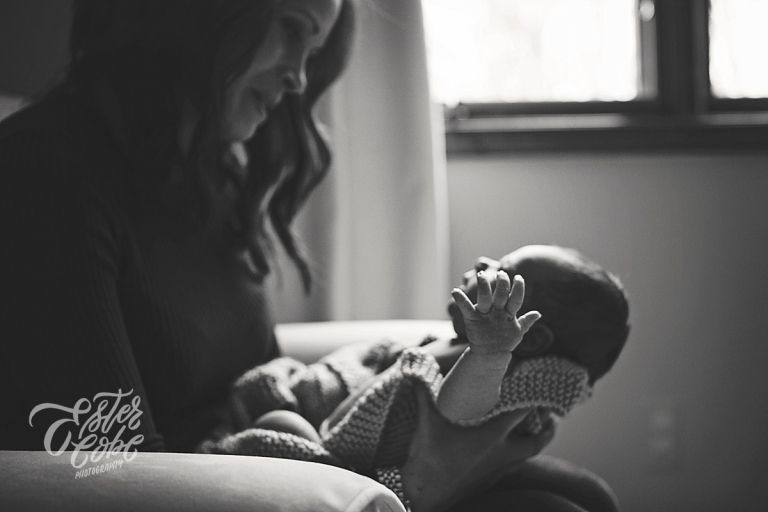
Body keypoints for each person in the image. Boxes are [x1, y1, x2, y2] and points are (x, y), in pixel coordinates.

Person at [0, 1, 618, 510]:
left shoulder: (207, 165)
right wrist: (426, 478)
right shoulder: (44, 178)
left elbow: (262, 373)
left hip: (286, 454)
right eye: (293, 30)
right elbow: (102, 473)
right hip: (214, 485)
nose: (299, 76)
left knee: (583, 498)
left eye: (314, 48)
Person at [249, 244, 629, 464]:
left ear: (528, 340)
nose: (484, 262)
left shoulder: (495, 376)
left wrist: (487, 355)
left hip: (330, 445)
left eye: (504, 271)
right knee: (278, 400)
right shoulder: (454, 343)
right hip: (321, 396)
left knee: (282, 424)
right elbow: (380, 360)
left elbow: (456, 411)